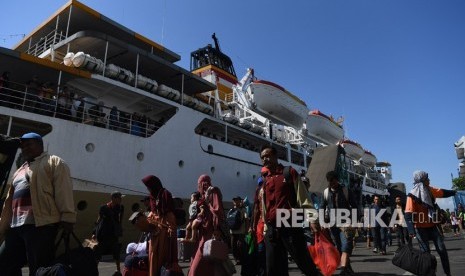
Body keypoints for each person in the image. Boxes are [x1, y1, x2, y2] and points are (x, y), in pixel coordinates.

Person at [0, 132, 76, 276]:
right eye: (23, 146)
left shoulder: (54, 162)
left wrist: (68, 217)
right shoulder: (20, 169)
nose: (25, 148)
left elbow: (63, 190)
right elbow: (9, 202)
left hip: (40, 226)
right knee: (4, 264)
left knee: (38, 269)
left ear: (40, 145)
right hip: (16, 227)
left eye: (29, 144)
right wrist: (3, 226)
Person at [259, 145, 320, 276]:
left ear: (276, 156)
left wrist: (313, 219)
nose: (265, 159)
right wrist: (265, 225)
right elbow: (265, 205)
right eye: (263, 157)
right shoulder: (265, 179)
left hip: (289, 223)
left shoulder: (289, 172)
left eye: (268, 156)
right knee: (272, 268)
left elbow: (303, 196)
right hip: (271, 228)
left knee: (304, 263)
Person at [405, 170, 456, 276]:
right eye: (427, 178)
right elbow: (408, 214)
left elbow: (442, 192)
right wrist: (411, 230)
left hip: (432, 226)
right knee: (426, 255)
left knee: (442, 250)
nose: (429, 180)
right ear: (422, 180)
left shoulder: (430, 190)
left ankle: (448, 273)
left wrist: (454, 192)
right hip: (420, 228)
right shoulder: (412, 195)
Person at [188, 174, 229, 276]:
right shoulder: (204, 194)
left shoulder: (213, 191)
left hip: (210, 231)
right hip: (203, 231)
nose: (199, 186)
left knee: (201, 260)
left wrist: (215, 227)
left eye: (199, 184)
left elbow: (217, 210)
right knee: (203, 260)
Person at [141, 174, 181, 276]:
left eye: (149, 186)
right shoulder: (152, 196)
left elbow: (169, 215)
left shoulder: (165, 194)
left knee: (162, 257)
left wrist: (171, 231)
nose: (148, 188)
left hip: (164, 230)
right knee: (153, 255)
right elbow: (153, 212)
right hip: (154, 230)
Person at [320, 171, 356, 276]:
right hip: (332, 225)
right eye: (330, 183)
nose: (333, 184)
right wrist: (322, 222)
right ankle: (348, 269)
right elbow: (322, 207)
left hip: (346, 223)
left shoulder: (345, 190)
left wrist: (354, 222)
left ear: (337, 180)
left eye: (334, 182)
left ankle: (343, 269)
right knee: (339, 247)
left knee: (345, 246)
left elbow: (354, 206)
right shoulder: (326, 192)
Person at [92, 191, 125, 274]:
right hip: (103, 234)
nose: (121, 199)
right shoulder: (103, 208)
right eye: (119, 198)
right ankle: (94, 271)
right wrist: (94, 232)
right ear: (113, 198)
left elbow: (120, 221)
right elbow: (98, 220)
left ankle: (118, 270)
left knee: (116, 252)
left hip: (113, 234)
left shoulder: (120, 208)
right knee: (98, 253)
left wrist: (119, 230)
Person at [251, 176, 267, 276]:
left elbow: (256, 209)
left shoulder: (258, 191)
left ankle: (262, 271)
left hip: (261, 224)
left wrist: (253, 224)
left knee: (261, 250)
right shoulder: (266, 189)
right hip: (267, 224)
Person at [228, 196, 248, 265]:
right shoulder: (231, 210)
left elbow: (246, 219)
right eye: (234, 200)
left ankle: (241, 259)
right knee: (233, 246)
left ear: (240, 201)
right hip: (233, 231)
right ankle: (237, 259)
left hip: (241, 231)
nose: (235, 201)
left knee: (240, 246)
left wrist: (247, 229)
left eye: (237, 200)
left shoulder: (243, 209)